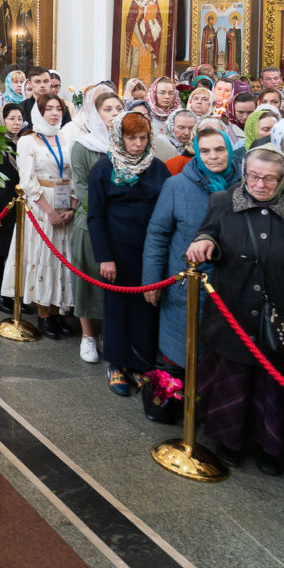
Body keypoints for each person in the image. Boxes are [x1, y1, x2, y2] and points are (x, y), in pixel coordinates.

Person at [188, 145, 284, 475]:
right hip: (232, 312)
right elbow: (208, 231)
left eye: (268, 179)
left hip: (280, 319)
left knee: (272, 385)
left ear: (283, 179)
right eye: (253, 176)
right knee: (233, 378)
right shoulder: (222, 202)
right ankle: (229, 440)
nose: (258, 184)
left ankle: (270, 447)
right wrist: (204, 241)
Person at [144, 129, 239, 371]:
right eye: (205, 151)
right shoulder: (176, 186)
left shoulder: (246, 185)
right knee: (186, 354)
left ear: (230, 150)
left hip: (234, 286)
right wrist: (152, 281)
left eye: (219, 149)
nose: (213, 156)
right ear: (196, 153)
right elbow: (158, 235)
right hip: (188, 286)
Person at [88, 111, 169, 395]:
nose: (137, 144)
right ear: (119, 138)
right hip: (118, 250)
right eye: (131, 138)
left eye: (143, 138)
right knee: (117, 307)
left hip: (151, 251)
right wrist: (104, 256)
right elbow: (95, 216)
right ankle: (117, 364)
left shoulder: (157, 168)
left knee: (147, 307)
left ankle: (141, 363)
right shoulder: (103, 168)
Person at [0, 94, 77, 339]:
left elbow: (74, 174)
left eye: (58, 109)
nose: (54, 113)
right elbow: (27, 180)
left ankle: (56, 310)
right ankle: (44, 313)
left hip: (65, 200)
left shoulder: (66, 137)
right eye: (49, 109)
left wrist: (72, 207)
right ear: (39, 112)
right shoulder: (27, 140)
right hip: (41, 206)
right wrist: (49, 210)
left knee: (61, 256)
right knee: (43, 256)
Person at [70, 88, 121, 361]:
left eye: (118, 109)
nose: (114, 114)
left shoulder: (128, 142)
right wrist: (106, 212)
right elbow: (81, 187)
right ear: (95, 113)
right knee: (88, 279)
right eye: (107, 110)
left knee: (114, 282)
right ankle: (87, 335)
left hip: (120, 224)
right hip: (90, 222)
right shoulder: (83, 145)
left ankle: (107, 332)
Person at [0, 102, 25, 314]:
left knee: (18, 251)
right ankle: (0, 293)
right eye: (11, 118)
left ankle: (17, 293)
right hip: (1, 206)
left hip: (22, 206)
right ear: (3, 120)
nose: (16, 123)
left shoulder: (25, 142)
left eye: (19, 119)